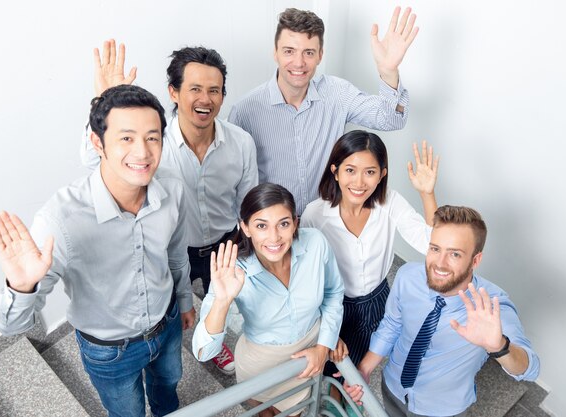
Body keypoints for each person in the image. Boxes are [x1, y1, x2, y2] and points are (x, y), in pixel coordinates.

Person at [0, 85, 196, 417]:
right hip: (110, 351)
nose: (143, 152)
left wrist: (185, 301)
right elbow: (14, 327)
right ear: (97, 143)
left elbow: (175, 254)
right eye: (127, 138)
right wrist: (21, 286)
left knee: (168, 390)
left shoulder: (172, 188)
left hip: (168, 321)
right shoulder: (60, 220)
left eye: (152, 137)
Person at [81, 40, 259, 374]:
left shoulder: (241, 142)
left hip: (224, 243)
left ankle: (213, 344)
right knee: (170, 308)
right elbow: (94, 161)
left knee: (216, 298)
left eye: (214, 90)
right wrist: (106, 107)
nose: (205, 99)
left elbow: (248, 201)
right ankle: (169, 346)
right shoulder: (150, 143)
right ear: (173, 92)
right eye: (194, 88)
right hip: (169, 247)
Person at [345, 206, 541, 417]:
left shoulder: (493, 307)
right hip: (393, 386)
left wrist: (500, 347)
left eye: (455, 254)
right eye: (435, 249)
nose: (439, 263)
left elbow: (530, 369)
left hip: (442, 410)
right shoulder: (408, 276)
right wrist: (364, 369)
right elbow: (392, 324)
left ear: (475, 260)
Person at [229, 6, 419, 214]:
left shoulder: (337, 93)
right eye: (289, 51)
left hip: (325, 225)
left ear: (320, 55)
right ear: (275, 52)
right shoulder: (244, 111)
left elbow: (391, 120)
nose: (299, 63)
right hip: (272, 231)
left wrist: (388, 72)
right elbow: (233, 182)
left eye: (308, 52)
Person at [300, 130, 438, 414]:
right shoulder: (315, 214)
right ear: (335, 171)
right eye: (350, 170)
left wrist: (427, 193)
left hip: (375, 302)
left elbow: (431, 244)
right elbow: (305, 274)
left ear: (382, 175)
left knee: (353, 373)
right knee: (324, 371)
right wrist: (324, 325)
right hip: (332, 305)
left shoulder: (390, 204)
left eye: (370, 172)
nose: (360, 182)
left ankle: (342, 405)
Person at [192, 183, 344, 417]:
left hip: (308, 352)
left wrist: (324, 346)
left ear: (295, 222)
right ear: (245, 227)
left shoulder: (315, 243)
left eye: (283, 224)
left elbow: (333, 293)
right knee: (265, 412)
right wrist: (222, 301)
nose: (274, 237)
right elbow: (203, 352)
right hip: (260, 363)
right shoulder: (233, 269)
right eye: (261, 226)